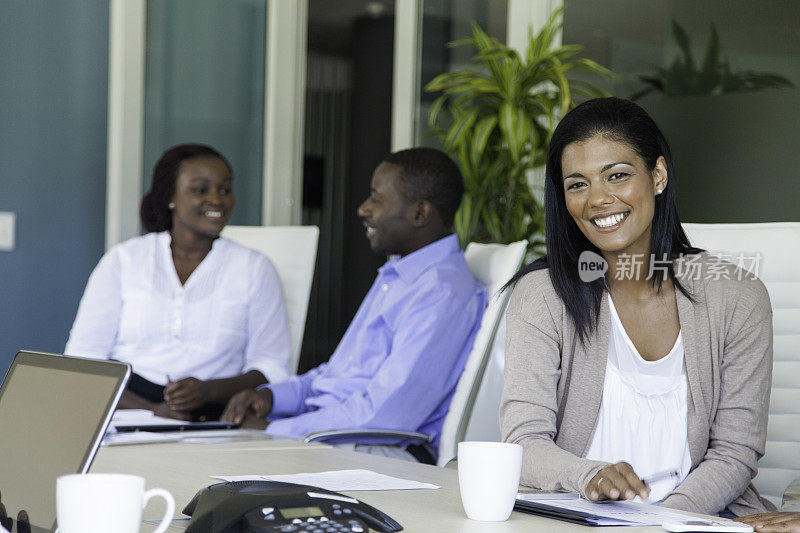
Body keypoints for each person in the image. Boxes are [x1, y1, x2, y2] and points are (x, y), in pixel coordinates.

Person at [500, 97, 773, 516]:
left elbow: (735, 452)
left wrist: (665, 522)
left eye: (617, 176)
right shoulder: (544, 294)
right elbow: (524, 440)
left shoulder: (738, 297)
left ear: (658, 175)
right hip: (573, 519)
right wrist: (588, 475)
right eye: (577, 184)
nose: (597, 199)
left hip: (696, 521)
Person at [221, 147, 486, 463]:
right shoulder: (399, 275)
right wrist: (272, 396)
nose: (363, 209)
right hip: (334, 438)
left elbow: (386, 414)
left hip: (379, 451)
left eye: (376, 199)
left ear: (419, 213)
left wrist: (275, 430)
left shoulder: (442, 293)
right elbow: (337, 374)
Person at [65, 144, 291, 421]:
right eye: (200, 190)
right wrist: (153, 412)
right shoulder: (123, 261)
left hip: (214, 416)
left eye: (225, 190)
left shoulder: (255, 268)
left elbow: (272, 366)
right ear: (170, 196)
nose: (217, 200)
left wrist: (207, 391)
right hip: (122, 410)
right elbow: (84, 361)